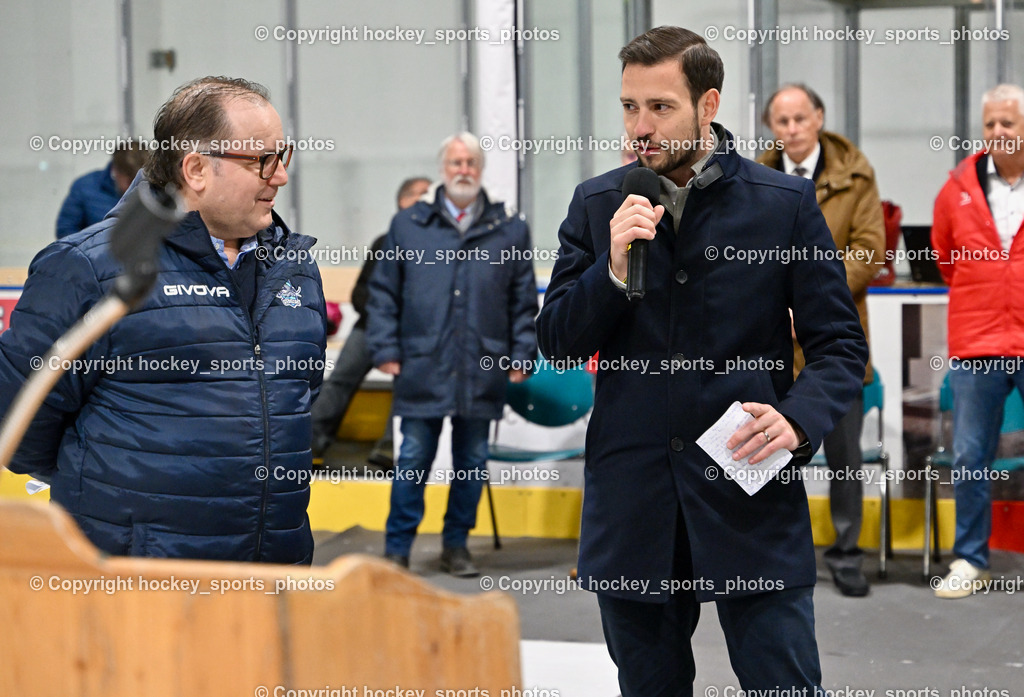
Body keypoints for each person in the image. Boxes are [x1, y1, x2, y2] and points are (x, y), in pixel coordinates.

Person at [536, 26, 867, 696]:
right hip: (635, 506)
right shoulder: (599, 204)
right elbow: (557, 340)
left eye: (659, 107)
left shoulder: (784, 206)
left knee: (786, 684)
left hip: (749, 491)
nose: (640, 127)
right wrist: (612, 267)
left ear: (708, 104)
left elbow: (839, 345)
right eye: (629, 107)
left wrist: (799, 421)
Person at [0, 76, 327, 564]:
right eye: (263, 160)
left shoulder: (295, 270)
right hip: (138, 593)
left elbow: (295, 402)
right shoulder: (90, 268)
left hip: (273, 581)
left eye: (283, 156)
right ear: (196, 168)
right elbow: (20, 422)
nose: (279, 176)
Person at [367, 132, 538, 576]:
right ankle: (397, 549)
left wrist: (523, 353)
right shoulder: (408, 225)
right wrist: (384, 348)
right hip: (422, 363)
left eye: (471, 163)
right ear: (443, 169)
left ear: (481, 171)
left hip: (484, 365)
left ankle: (456, 546)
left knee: (471, 462)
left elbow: (522, 302)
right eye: (456, 162)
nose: (463, 170)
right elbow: (383, 293)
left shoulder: (510, 230)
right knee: (413, 460)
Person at [758, 83, 886, 597]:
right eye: (781, 121)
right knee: (769, 452)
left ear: (819, 118)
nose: (791, 130)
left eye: (799, 119)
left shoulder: (856, 174)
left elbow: (869, 249)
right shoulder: (757, 176)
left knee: (844, 457)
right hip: (771, 347)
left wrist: (809, 299)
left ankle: (846, 551)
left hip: (835, 341)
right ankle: (769, 550)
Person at [931, 83, 1024, 599]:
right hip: (976, 341)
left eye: (1007, 123)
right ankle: (970, 558)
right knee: (969, 454)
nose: (997, 133)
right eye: (990, 124)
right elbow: (946, 260)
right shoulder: (957, 187)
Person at [311, 176, 431, 466]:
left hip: (412, 334)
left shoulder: (436, 249)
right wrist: (384, 320)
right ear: (403, 203)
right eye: (422, 195)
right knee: (340, 380)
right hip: (371, 327)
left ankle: (390, 448)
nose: (430, 201)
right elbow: (360, 294)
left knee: (409, 384)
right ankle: (310, 442)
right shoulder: (383, 243)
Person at [55, 141, 148, 239]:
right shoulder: (84, 187)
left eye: (142, 181)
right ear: (116, 171)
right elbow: (65, 231)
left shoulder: (152, 189)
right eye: (130, 181)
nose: (135, 186)